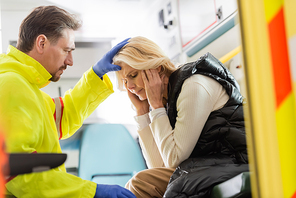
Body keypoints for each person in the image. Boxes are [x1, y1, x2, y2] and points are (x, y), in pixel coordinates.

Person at [0, 5, 136, 198]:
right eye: (66, 50)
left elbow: (61, 118)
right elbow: (16, 171)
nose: (70, 61)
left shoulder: (26, 88)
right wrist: (91, 192)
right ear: (41, 43)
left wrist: (95, 75)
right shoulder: (11, 85)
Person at [112, 36, 249, 198]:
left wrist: (156, 107)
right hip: (210, 164)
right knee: (133, 186)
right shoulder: (169, 99)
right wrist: (142, 113)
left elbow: (174, 160)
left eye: (133, 75)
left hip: (235, 161)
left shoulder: (192, 84)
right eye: (125, 81)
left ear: (156, 68)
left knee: (139, 183)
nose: (130, 87)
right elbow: (159, 166)